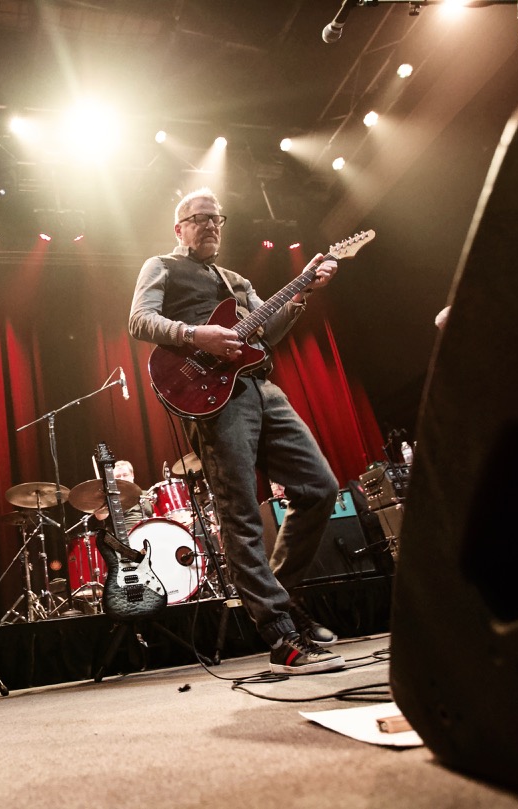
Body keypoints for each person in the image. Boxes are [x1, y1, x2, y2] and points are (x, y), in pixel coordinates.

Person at [127, 187, 344, 675]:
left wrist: (304, 288)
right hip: (212, 396)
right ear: (179, 228)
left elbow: (268, 330)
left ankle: (280, 600)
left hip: (262, 388)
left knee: (319, 487)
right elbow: (139, 320)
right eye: (198, 218)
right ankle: (281, 634)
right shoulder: (161, 264)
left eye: (216, 218)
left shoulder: (236, 279)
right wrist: (194, 334)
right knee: (240, 511)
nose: (210, 225)